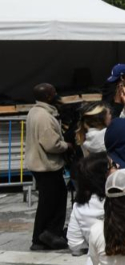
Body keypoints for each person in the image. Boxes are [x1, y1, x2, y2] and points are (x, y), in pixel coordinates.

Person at [26, 83, 70, 250]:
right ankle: (47, 234)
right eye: (54, 92)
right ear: (49, 96)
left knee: (48, 201)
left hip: (39, 164)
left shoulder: (34, 111)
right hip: (46, 165)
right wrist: (67, 146)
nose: (57, 94)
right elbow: (51, 144)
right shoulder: (44, 116)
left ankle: (43, 236)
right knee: (53, 200)